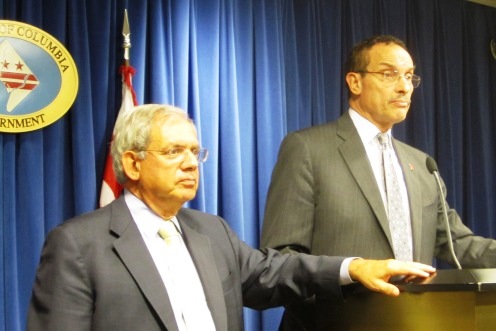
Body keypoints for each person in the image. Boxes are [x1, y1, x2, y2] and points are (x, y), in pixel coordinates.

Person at [27, 104, 435, 331]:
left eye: (195, 152)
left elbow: (272, 274)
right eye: (174, 152)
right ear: (132, 164)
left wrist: (357, 267)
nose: (190, 164)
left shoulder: (212, 231)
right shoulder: (79, 244)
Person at [260, 34, 496, 330]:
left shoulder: (421, 164)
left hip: (414, 321)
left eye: (409, 76)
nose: (404, 87)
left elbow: (457, 242)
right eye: (389, 74)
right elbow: (281, 259)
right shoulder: (308, 149)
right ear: (355, 82)